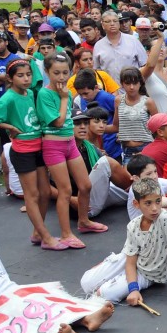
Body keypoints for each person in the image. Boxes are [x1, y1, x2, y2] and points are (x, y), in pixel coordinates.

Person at [0, 224, 116, 333]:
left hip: (12, 290)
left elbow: (3, 276)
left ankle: (86, 319)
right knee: (26, 316)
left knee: (46, 301)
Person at [0, 60, 63, 250]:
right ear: (10, 78)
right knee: (32, 195)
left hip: (39, 146)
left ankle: (37, 232)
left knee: (46, 191)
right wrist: (8, 126)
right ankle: (46, 236)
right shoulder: (8, 98)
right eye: (20, 75)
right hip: (23, 149)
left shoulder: (31, 93)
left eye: (28, 74)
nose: (26, 78)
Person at [80, 178, 167, 303]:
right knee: (86, 283)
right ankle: (111, 268)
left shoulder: (166, 219)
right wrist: (133, 289)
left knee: (104, 294)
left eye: (158, 201)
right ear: (136, 204)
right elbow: (130, 261)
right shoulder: (133, 225)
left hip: (148, 274)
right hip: (127, 260)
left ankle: (116, 278)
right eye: (148, 203)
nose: (154, 208)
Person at [36, 53, 108, 248]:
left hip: (69, 143)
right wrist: (64, 98)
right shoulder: (46, 94)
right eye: (56, 73)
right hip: (54, 145)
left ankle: (83, 221)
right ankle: (66, 234)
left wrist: (64, 97)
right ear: (48, 72)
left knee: (85, 185)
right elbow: (58, 121)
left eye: (65, 73)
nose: (61, 77)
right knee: (65, 191)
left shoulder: (63, 93)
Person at [93, 11, 147, 82]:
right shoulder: (98, 45)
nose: (112, 24)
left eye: (115, 21)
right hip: (110, 90)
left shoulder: (133, 40)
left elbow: (144, 64)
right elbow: (97, 70)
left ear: (118, 23)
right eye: (108, 21)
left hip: (133, 86)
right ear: (103, 25)